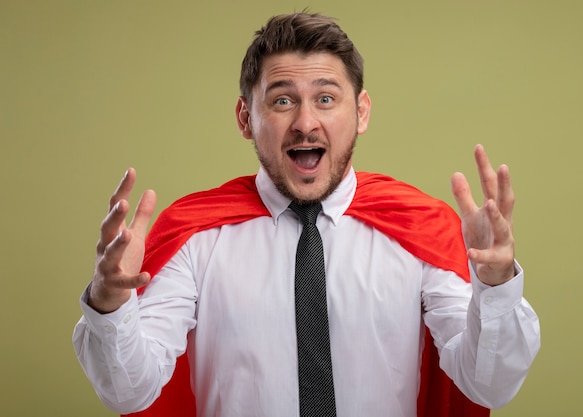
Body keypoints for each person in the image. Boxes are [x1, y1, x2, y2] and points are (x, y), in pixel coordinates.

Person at [73, 11, 540, 417]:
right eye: (281, 100)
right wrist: (110, 306)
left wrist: (496, 286)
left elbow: (487, 384)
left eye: (325, 98)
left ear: (360, 112)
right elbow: (129, 391)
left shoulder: (419, 229)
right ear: (244, 118)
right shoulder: (196, 237)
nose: (305, 121)